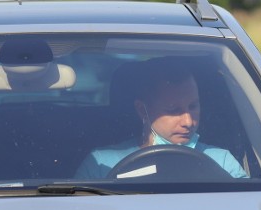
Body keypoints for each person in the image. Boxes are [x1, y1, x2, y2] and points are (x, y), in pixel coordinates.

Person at [75, 58, 247, 179]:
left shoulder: (222, 161)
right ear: (142, 110)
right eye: (173, 110)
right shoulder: (100, 164)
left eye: (193, 106)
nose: (188, 121)